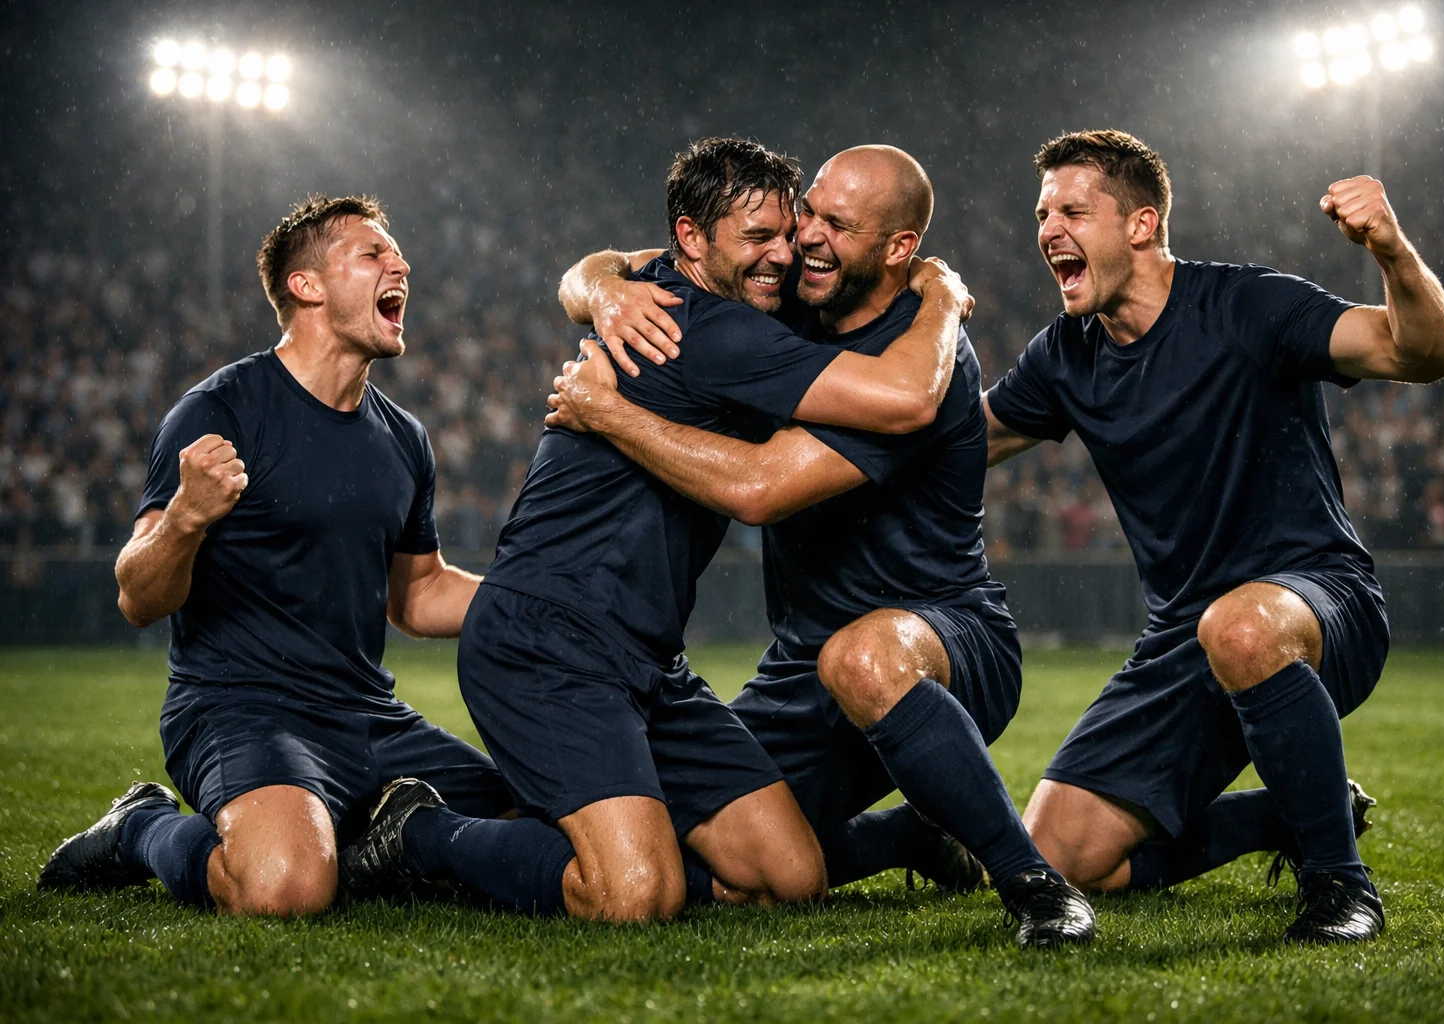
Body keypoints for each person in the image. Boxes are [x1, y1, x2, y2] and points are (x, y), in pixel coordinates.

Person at [340, 137, 975, 923]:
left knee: (785, 876)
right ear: (691, 240)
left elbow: (598, 267)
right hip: (547, 643)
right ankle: (420, 834)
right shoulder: (714, 332)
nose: (784, 256)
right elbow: (907, 399)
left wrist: (600, 283)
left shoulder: (678, 293)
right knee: (634, 894)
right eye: (758, 238)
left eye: (788, 232)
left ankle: (891, 836)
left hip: (645, 656)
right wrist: (942, 296)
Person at [547, 145, 1094, 948]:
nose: (807, 235)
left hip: (946, 636)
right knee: (718, 864)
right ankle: (906, 836)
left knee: (862, 658)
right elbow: (617, 266)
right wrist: (601, 288)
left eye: (838, 224)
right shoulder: (785, 306)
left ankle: (1034, 883)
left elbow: (760, 490)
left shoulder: (922, 356)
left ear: (899, 248)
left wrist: (610, 414)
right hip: (799, 668)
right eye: (810, 210)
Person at [982, 130, 1444, 943]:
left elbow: (1425, 352)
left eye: (1072, 212)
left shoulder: (1248, 305)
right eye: (1042, 215)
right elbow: (960, 442)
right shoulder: (1066, 355)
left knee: (1239, 626)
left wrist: (1390, 248)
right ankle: (1287, 813)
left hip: (1320, 600)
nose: (1049, 230)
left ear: (1141, 224)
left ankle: (1342, 885)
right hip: (1184, 637)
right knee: (1062, 856)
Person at [38, 195, 515, 916]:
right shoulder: (220, 410)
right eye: (373, 253)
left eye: (396, 254)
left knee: (528, 820)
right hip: (241, 707)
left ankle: (392, 836)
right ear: (307, 285)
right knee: (283, 888)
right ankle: (141, 827)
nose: (401, 265)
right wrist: (185, 519)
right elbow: (137, 597)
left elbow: (418, 595)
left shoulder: (405, 438)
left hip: (368, 714)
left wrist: (535, 598)